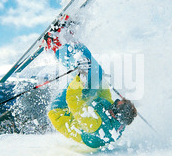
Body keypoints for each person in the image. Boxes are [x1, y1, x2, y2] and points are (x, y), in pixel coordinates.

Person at [44, 21, 137, 149]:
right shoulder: (119, 118)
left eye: (116, 103)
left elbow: (72, 100)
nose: (113, 102)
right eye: (117, 101)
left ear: (116, 114)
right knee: (94, 70)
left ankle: (54, 45)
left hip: (61, 111)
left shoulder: (94, 124)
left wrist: (81, 77)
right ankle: (70, 40)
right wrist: (100, 78)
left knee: (82, 70)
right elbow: (104, 96)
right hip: (84, 106)